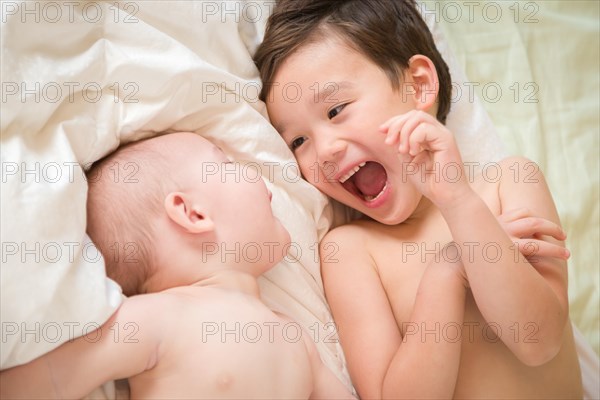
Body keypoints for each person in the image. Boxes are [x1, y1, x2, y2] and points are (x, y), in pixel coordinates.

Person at [254, 0, 583, 398]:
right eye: (298, 141)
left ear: (418, 84)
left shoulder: (509, 181)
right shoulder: (350, 252)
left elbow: (539, 341)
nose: (322, 151)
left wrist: (459, 203)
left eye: (336, 109)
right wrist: (446, 272)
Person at [0, 132, 356, 400]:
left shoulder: (293, 334)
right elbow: (47, 380)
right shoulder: (155, 318)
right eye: (228, 166)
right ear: (193, 214)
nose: (253, 174)